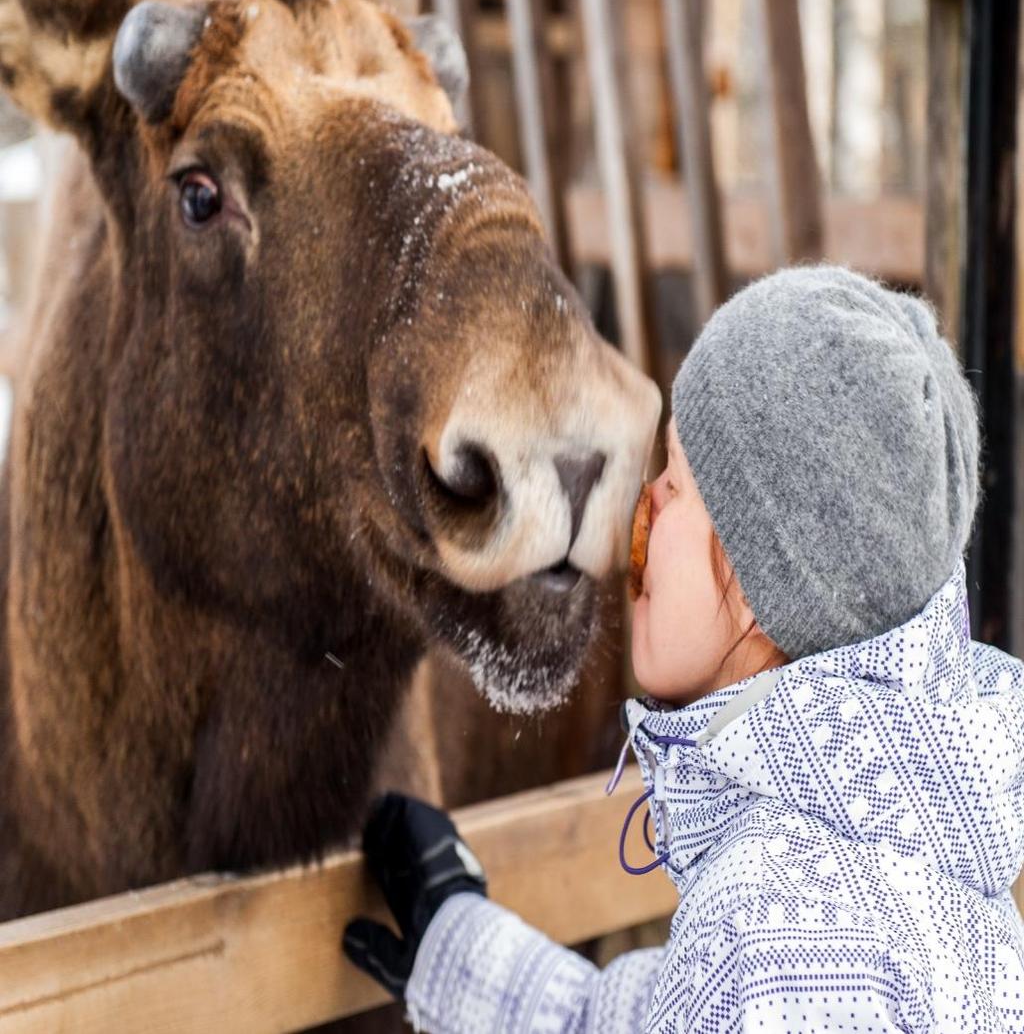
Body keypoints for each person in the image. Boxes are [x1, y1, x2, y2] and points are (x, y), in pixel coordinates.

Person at [343, 265, 1024, 1032]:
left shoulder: (778, 943)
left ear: (775, 578)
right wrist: (460, 946)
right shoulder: (879, 872)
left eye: (675, 484)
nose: (643, 507)